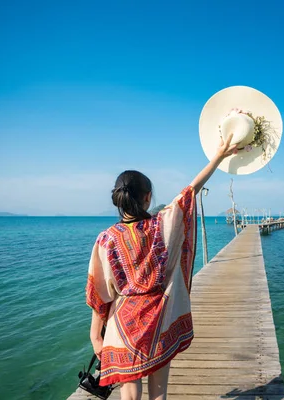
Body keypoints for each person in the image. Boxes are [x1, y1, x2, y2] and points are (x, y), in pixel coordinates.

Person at [86, 133, 237, 400]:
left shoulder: (106, 239)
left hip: (122, 326)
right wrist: (219, 155)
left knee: (129, 397)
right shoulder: (161, 225)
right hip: (159, 320)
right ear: (147, 197)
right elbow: (190, 192)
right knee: (159, 394)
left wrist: (95, 334)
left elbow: (100, 292)